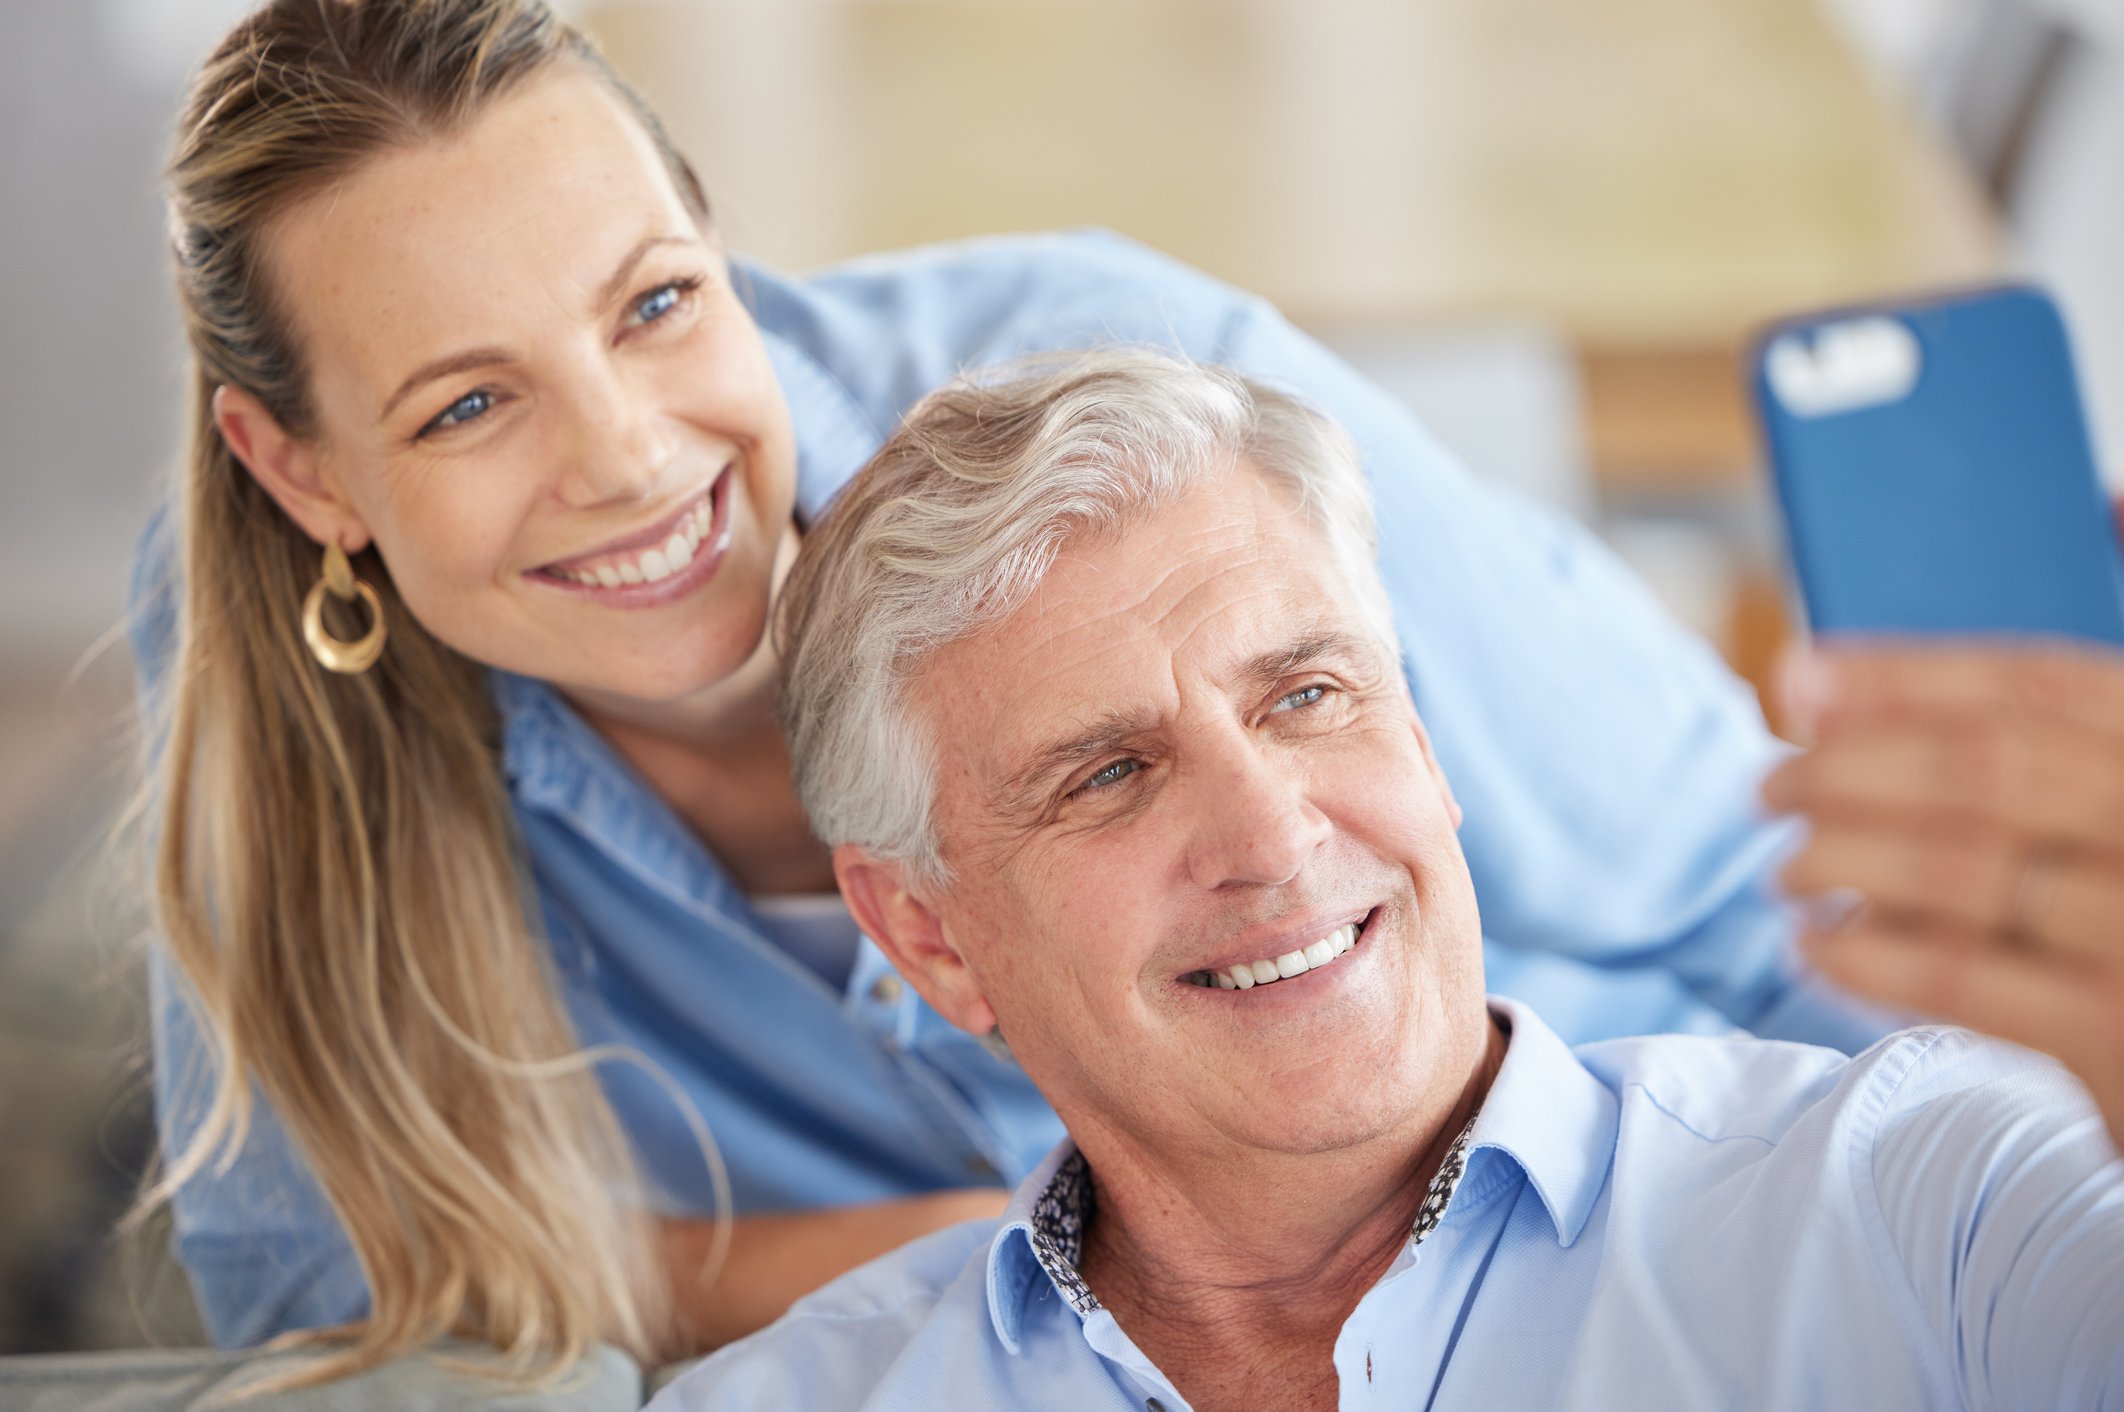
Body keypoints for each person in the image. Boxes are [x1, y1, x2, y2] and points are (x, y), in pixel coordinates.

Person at [134, 0, 1885, 1384]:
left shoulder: (1144, 403)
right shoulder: (255, 664)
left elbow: (1768, 887)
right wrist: (1039, 1265)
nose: (630, 457)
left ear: (723, 248)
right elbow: (325, 1275)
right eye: (465, 407)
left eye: (659, 304)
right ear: (304, 478)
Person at [656, 349, 2124, 1412]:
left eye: (1307, 696)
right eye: (1108, 774)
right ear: (928, 935)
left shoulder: (1928, 1201)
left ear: (1422, 745)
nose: (1275, 836)